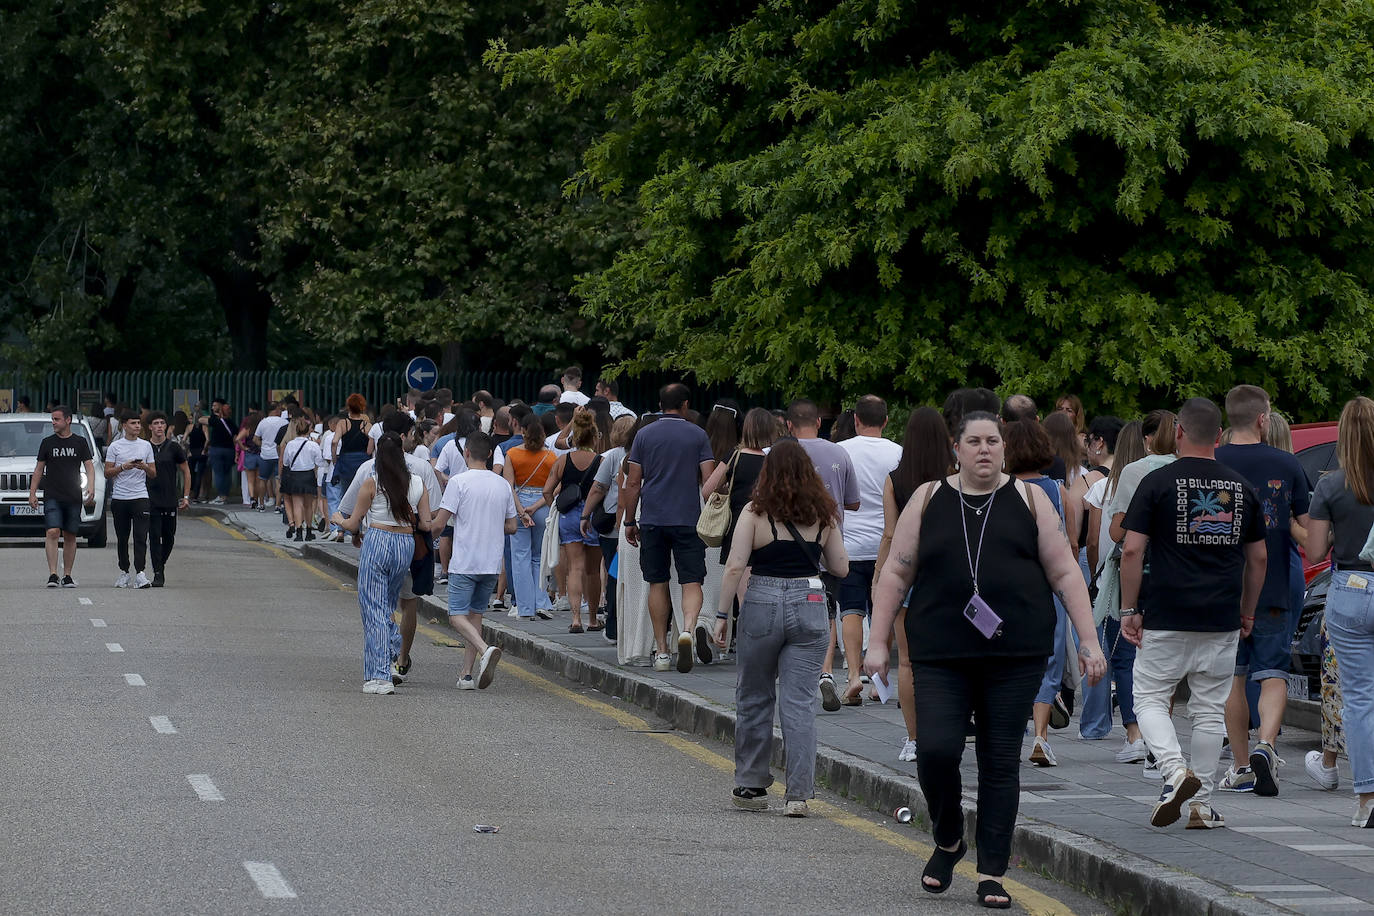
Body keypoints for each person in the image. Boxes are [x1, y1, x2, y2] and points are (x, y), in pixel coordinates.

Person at [864, 410, 1104, 910]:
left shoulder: (1030, 498)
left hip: (1014, 655)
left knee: (999, 763)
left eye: (992, 441)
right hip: (941, 653)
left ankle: (992, 872)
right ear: (957, 448)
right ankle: (950, 838)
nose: (984, 450)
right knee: (935, 750)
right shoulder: (928, 498)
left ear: (1003, 447)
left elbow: (1064, 572)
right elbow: (896, 573)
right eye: (973, 442)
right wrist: (878, 642)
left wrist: (1088, 640)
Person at [1120, 397, 1266, 832]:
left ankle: (1172, 771)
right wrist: (1248, 611)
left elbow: (1131, 548)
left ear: (1178, 432)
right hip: (1221, 613)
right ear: (1218, 437)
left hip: (1166, 610)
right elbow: (1257, 558)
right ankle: (1201, 804)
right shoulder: (1240, 487)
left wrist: (1129, 608)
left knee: (1147, 697)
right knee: (1207, 709)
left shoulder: (1157, 481)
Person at [714, 439, 849, 817]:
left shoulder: (754, 513)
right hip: (810, 603)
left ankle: (751, 784)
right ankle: (798, 796)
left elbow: (735, 567)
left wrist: (721, 616)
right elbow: (841, 567)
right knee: (800, 702)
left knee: (755, 694)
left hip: (762, 601)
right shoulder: (825, 515)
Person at [1214, 385, 1311, 796]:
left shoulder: (1210, 461)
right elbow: (1308, 534)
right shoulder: (1287, 464)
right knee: (1273, 672)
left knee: (1232, 678)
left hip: (1220, 587)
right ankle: (1267, 744)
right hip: (1273, 583)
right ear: (1262, 418)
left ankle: (1239, 766)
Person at [1303, 396, 1374, 826]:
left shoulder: (1331, 486)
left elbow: (1314, 549)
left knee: (1360, 700)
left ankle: (1367, 797)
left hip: (1349, 589)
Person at [337, 413, 444, 682]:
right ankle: (400, 657)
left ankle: (381, 669)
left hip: (377, 539)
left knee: (375, 606)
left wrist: (343, 524)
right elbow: (430, 520)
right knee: (402, 604)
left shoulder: (370, 473)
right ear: (405, 439)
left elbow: (350, 516)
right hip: (409, 544)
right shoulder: (420, 473)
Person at [619, 383, 717, 673]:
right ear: (685, 405)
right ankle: (687, 629)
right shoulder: (698, 435)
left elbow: (633, 482)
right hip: (689, 519)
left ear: (660, 404)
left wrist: (628, 521)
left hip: (652, 519)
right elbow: (708, 483)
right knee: (691, 581)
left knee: (657, 582)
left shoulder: (644, 435)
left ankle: (661, 651)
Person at [874, 406, 950, 760]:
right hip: (950, 576)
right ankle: (946, 731)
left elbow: (890, 533)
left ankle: (914, 739)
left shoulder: (896, 478)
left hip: (908, 576)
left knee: (906, 661)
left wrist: (879, 576)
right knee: (950, 660)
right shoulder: (956, 474)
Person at [1003, 420, 1076, 767]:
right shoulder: (1057, 490)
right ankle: (1041, 737)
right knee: (1049, 659)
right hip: (1048, 585)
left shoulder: (1000, 489)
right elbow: (1070, 543)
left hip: (1007, 586)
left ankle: (1008, 731)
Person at [785, 399, 860, 704]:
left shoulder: (782, 454)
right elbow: (853, 502)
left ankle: (797, 672)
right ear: (819, 422)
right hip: (830, 543)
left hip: (790, 545)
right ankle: (825, 672)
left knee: (792, 609)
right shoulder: (839, 452)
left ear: (789, 425)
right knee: (825, 609)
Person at [1080, 419, 1146, 758]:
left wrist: (1094, 577)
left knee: (1120, 654)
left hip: (1115, 579)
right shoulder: (1156, 481)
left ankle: (1133, 732)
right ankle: (1149, 729)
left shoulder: (1103, 488)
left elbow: (1094, 541)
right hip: (1154, 577)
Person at [432, 432, 517, 689]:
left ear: (465, 452)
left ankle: (484, 649)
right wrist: (490, 525)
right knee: (475, 617)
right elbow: (512, 526)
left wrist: (423, 534)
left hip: (465, 561)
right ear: (490, 454)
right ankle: (466, 674)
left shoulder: (459, 482)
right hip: (491, 562)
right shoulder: (502, 484)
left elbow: (439, 524)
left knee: (456, 616)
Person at [835, 396, 902, 706]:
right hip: (885, 545)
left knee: (850, 609)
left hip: (848, 544)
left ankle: (852, 675)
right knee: (883, 613)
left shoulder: (842, 451)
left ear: (856, 420)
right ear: (885, 421)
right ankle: (879, 680)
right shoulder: (897, 452)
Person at [543, 412, 604, 632]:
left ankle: (576, 618)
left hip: (568, 517)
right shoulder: (601, 461)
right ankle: (594, 619)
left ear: (575, 437)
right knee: (593, 570)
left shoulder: (563, 460)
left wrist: (557, 508)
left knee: (575, 568)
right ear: (594, 436)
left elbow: (547, 490)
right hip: (593, 516)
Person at [581, 415, 638, 640]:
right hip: (637, 524)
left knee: (614, 577)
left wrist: (585, 515)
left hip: (613, 528)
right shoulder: (644, 454)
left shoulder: (613, 456)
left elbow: (597, 489)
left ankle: (613, 627)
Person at [29, 405, 95, 588]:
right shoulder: (47, 443)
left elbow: (89, 466)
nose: (53, 423)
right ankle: (52, 574)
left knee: (70, 534)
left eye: (57, 419)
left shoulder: (80, 442)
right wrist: (32, 492)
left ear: (68, 420)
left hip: (73, 496)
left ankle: (67, 575)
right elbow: (39, 469)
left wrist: (91, 486)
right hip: (52, 495)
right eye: (52, 419)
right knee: (52, 531)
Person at [503, 412, 557, 620]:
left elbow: (509, 486)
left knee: (520, 557)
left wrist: (521, 510)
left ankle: (525, 607)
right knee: (538, 557)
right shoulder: (550, 456)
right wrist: (535, 506)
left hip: (519, 505)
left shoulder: (512, 454)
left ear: (523, 431)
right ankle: (541, 601)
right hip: (542, 505)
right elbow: (555, 488)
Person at [105, 412, 157, 589]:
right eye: (133, 423)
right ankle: (124, 571)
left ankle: (140, 573)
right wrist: (123, 467)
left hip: (140, 496)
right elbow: (107, 472)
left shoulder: (146, 446)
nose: (137, 426)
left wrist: (143, 466)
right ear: (124, 425)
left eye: (138, 423)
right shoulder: (115, 446)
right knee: (122, 537)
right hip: (120, 498)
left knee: (141, 536)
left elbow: (153, 473)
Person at [145, 412, 190, 588]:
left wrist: (185, 496)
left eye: (162, 423)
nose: (159, 426)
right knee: (154, 537)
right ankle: (158, 572)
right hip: (150, 499)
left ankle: (160, 564)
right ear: (149, 427)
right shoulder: (144, 447)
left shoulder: (174, 448)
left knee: (169, 537)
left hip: (170, 498)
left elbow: (186, 471)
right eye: (155, 423)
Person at [280, 414, 325, 542]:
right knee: (308, 505)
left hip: (295, 476)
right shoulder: (313, 445)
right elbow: (320, 462)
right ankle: (309, 531)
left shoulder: (290, 444)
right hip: (309, 475)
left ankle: (298, 532)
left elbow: (286, 463)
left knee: (297, 505)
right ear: (308, 430)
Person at [207, 397, 237, 504]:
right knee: (227, 473)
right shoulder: (231, 422)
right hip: (229, 450)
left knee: (219, 473)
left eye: (215, 406)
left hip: (217, 449)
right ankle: (225, 495)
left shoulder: (214, 420)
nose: (212, 408)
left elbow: (201, 419)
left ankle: (221, 496)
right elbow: (235, 437)